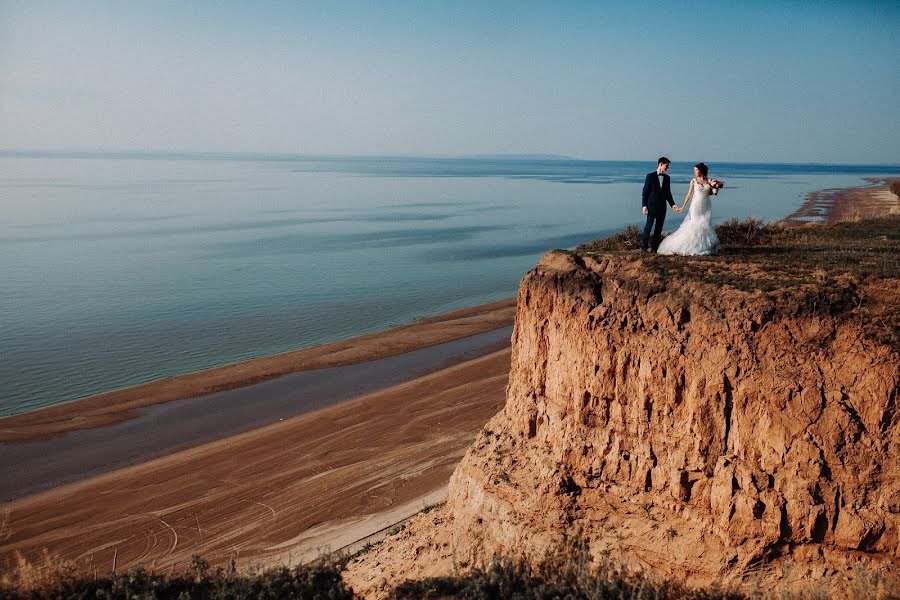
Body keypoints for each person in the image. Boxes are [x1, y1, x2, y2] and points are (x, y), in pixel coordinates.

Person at [657, 162, 720, 256]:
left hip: (706, 206)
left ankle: (703, 246)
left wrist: (716, 188)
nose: (694, 172)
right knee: (695, 223)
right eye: (694, 170)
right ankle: (691, 245)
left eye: (696, 170)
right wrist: (682, 206)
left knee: (705, 224)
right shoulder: (693, 181)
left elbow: (710, 193)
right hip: (696, 206)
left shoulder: (709, 181)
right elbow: (689, 195)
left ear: (701, 171)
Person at [641, 157, 677, 252]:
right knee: (648, 227)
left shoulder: (667, 178)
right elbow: (645, 192)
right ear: (660, 164)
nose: (667, 168)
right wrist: (644, 206)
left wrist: (672, 204)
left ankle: (654, 249)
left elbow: (668, 193)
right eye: (666, 166)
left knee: (658, 229)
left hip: (662, 207)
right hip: (651, 206)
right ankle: (644, 248)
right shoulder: (650, 176)